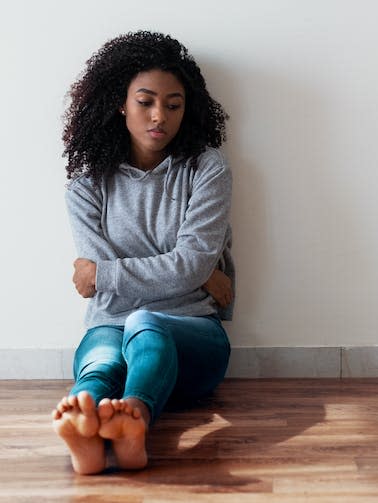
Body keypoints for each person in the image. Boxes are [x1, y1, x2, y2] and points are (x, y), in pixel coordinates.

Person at [52, 31, 234, 475]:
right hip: (109, 327)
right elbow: (187, 267)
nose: (160, 116)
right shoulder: (85, 186)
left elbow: (101, 278)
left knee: (144, 322)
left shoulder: (206, 169)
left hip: (193, 335)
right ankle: (89, 421)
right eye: (145, 101)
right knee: (102, 362)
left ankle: (133, 417)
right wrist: (188, 269)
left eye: (173, 105)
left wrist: (113, 273)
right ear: (120, 103)